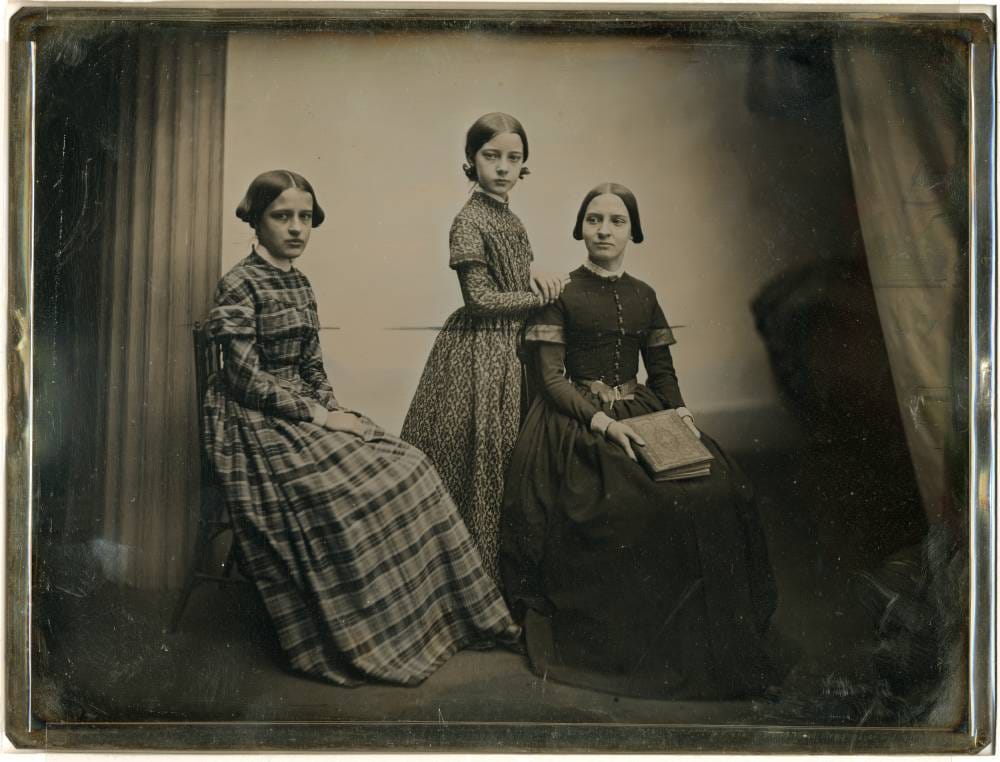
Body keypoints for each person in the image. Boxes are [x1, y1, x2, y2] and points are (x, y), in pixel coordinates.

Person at [203, 169, 519, 686]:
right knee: (360, 488)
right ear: (256, 220)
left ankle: (425, 624)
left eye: (305, 217)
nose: (296, 228)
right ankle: (368, 633)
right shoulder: (239, 282)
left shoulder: (300, 282)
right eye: (282, 216)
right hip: (252, 421)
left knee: (412, 465)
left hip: (304, 409)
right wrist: (318, 417)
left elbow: (312, 366)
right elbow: (243, 377)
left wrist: (335, 412)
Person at [500, 182, 778, 699]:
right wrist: (603, 423)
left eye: (616, 221)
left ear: (633, 231)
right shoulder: (561, 294)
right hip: (577, 422)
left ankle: (709, 639)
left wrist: (681, 415)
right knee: (634, 502)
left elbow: (663, 372)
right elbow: (552, 380)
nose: (604, 230)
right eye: (594, 220)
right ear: (580, 228)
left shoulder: (645, 295)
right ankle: (644, 643)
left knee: (721, 488)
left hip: (644, 410)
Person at [401, 113, 566, 582]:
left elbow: (513, 272)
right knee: (483, 463)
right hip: (480, 353)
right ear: (471, 160)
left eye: (514, 158)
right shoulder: (468, 220)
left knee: (514, 460)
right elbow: (480, 300)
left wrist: (535, 274)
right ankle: (474, 582)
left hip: (515, 349)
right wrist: (542, 298)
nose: (503, 167)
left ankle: (508, 576)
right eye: (491, 156)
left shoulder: (510, 217)